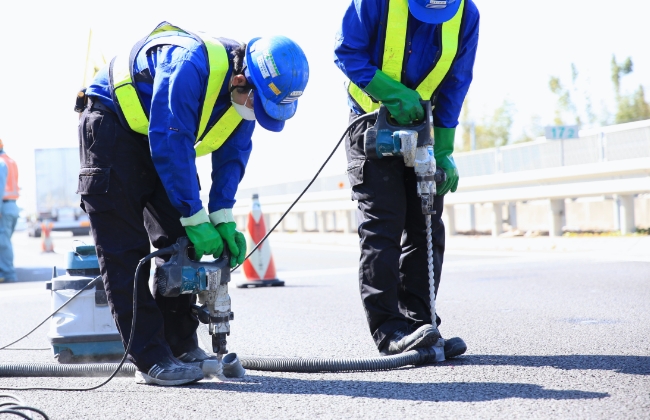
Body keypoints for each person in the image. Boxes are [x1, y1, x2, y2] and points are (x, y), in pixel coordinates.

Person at [79, 21, 309, 386]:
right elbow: (171, 138)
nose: (255, 112)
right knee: (126, 250)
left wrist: (220, 216)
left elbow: (233, 154)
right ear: (240, 81)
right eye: (257, 104)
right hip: (112, 128)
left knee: (179, 242)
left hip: (159, 140)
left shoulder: (248, 94)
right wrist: (193, 213)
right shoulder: (189, 65)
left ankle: (180, 343)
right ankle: (150, 359)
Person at [334, 0, 479, 357]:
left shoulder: (466, 13)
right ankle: (389, 329)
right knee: (383, 226)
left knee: (427, 223)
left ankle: (420, 323)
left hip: (422, 126)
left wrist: (444, 148)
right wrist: (391, 92)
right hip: (372, 124)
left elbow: (457, 81)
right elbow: (346, 52)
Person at [0, 139, 20, 283]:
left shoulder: (1, 163)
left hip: (4, 206)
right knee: (4, 240)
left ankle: (8, 274)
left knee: (3, 242)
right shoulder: (10, 161)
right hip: (12, 205)